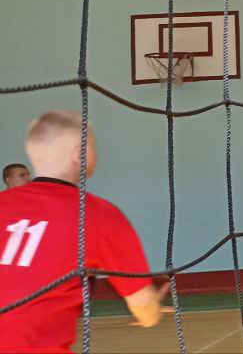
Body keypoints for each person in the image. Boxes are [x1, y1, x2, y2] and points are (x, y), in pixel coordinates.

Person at [0, 111, 169, 353]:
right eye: (93, 145)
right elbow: (145, 309)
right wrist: (152, 303)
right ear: (79, 155)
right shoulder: (98, 214)